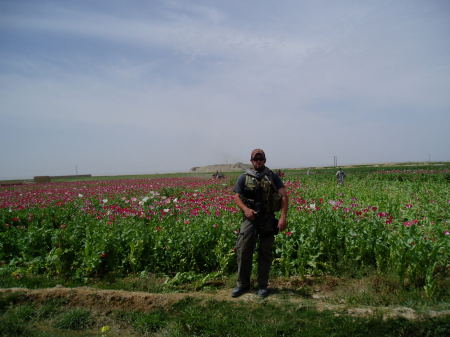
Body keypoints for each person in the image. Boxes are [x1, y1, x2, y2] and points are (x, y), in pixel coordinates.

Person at [231, 149, 289, 298]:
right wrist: (245, 209)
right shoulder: (244, 177)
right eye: (255, 159)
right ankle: (243, 285)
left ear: (265, 160)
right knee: (244, 251)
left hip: (267, 219)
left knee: (265, 253)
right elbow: (236, 196)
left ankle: (262, 286)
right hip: (250, 219)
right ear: (251, 161)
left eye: (261, 159)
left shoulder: (272, 176)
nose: (258, 162)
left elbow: (284, 196)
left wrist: (283, 217)